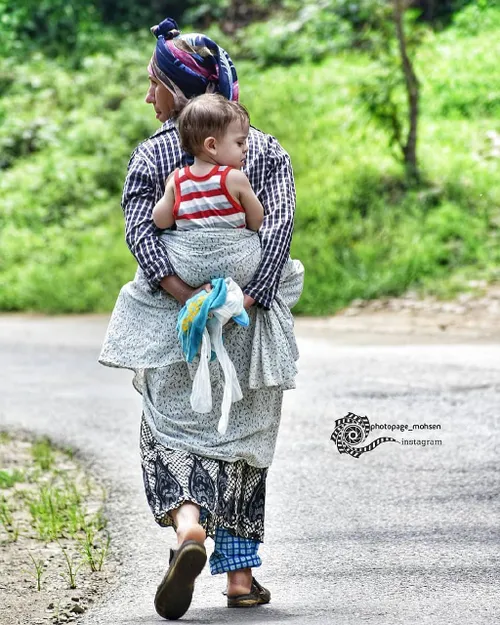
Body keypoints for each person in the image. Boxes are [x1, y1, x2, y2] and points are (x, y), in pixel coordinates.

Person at [99, 16, 304, 621]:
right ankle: (240, 579)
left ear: (178, 89)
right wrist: (250, 298)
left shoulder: (156, 153)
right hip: (247, 317)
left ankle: (188, 526)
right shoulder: (261, 149)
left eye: (153, 84)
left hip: (174, 319)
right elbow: (278, 225)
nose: (147, 97)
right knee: (239, 437)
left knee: (169, 426)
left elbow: (144, 230)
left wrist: (181, 290)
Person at [152, 93, 264, 234]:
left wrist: (169, 187)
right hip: (232, 253)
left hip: (190, 255)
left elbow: (161, 221)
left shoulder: (177, 181)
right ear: (212, 145)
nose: (246, 148)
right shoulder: (235, 178)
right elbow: (256, 222)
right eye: (240, 143)